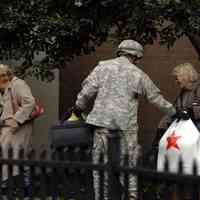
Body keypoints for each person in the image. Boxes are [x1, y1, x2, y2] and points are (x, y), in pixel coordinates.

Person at [74, 39, 176, 200]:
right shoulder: (137, 74)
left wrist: (78, 107)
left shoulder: (102, 67)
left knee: (100, 166)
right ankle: (132, 197)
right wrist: (174, 112)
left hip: (102, 124)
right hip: (126, 127)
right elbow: (156, 98)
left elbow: (86, 92)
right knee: (128, 166)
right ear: (135, 56)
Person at [148, 62, 200, 169]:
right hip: (186, 131)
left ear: (185, 76)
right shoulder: (183, 92)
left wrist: (189, 112)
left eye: (177, 78)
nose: (176, 81)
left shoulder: (198, 89)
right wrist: (161, 128)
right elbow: (174, 111)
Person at [0, 64, 35, 181]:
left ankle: (24, 187)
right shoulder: (3, 88)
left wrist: (16, 119)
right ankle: (9, 185)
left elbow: (29, 102)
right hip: (6, 129)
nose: (3, 78)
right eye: (1, 76)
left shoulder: (18, 84)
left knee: (19, 157)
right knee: (8, 157)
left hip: (19, 127)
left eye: (5, 75)